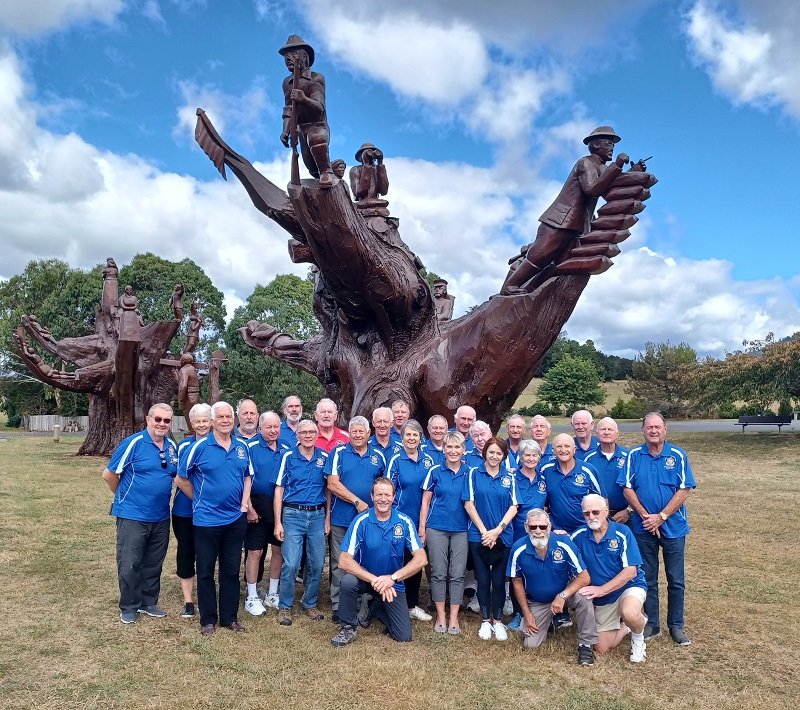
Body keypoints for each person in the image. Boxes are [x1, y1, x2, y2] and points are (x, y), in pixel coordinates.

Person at [501, 125, 631, 295]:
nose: (612, 148)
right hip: (561, 220)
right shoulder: (586, 163)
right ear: (597, 145)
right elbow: (592, 189)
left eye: (612, 145)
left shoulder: (602, 167)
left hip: (576, 225)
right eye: (608, 144)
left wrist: (633, 171)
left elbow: (609, 188)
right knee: (540, 255)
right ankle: (511, 286)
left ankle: (530, 286)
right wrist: (618, 165)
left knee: (561, 263)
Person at [619, 412, 696, 646]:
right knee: (648, 578)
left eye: (657, 427)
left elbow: (684, 490)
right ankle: (652, 623)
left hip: (674, 527)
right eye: (649, 427)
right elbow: (627, 488)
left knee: (676, 579)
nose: (653, 431)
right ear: (643, 430)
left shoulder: (678, 455)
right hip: (643, 528)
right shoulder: (634, 455)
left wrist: (661, 517)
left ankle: (676, 626)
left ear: (665, 430)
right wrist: (645, 516)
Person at [176, 401, 252, 635]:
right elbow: (181, 478)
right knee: (206, 570)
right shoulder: (198, 448)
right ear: (211, 421)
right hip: (206, 520)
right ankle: (208, 619)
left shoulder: (242, 447)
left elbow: (248, 476)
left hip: (234, 520)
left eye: (229, 416)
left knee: (231, 570)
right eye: (221, 417)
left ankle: (230, 618)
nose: (226, 420)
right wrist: (198, 499)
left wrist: (244, 504)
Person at [102, 403, 179, 624]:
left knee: (154, 561)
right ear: (148, 419)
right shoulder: (134, 443)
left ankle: (148, 602)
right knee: (130, 562)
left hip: (161, 516)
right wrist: (125, 496)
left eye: (166, 420)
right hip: (133, 515)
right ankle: (129, 605)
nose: (161, 424)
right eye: (158, 419)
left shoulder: (172, 447)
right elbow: (109, 474)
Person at [331, 477, 427, 646]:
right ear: (372, 496)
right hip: (366, 579)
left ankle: (374, 607)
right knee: (347, 581)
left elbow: (421, 559)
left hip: (392, 582)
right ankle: (348, 628)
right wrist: (376, 580)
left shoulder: (404, 522)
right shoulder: (361, 521)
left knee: (403, 636)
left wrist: (392, 578)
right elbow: (344, 561)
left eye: (387, 495)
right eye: (379, 494)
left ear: (394, 496)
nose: (383, 499)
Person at [507, 509, 598, 666]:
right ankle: (547, 621)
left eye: (542, 527)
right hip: (538, 601)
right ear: (526, 527)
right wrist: (526, 613)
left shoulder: (564, 543)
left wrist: (562, 595)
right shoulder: (518, 548)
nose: (538, 531)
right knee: (531, 644)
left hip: (565, 594)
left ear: (549, 527)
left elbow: (585, 577)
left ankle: (586, 645)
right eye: (533, 527)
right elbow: (517, 582)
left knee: (584, 597)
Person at [571, 494, 648, 663]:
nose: (591, 517)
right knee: (602, 647)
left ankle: (638, 636)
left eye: (596, 512)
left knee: (628, 611)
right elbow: (562, 551)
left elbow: (630, 572)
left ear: (606, 510)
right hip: (603, 597)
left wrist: (601, 590)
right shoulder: (578, 536)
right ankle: (627, 627)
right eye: (586, 513)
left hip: (628, 586)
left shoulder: (623, 532)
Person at [325, 416, 386, 623]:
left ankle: (362, 603)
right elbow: (332, 484)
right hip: (342, 519)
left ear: (369, 433)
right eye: (354, 431)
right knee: (339, 562)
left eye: (362, 431)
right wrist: (356, 501)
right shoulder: (338, 453)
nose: (358, 435)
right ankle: (338, 604)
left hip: (370, 521)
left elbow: (384, 486)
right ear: (349, 433)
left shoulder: (378, 455)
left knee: (365, 562)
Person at [273, 419, 329, 625]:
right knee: (291, 563)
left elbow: (328, 489)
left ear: (316, 435)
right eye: (303, 432)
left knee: (316, 563)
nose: (307, 436)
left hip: (317, 516)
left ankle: (310, 603)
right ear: (297, 436)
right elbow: (278, 490)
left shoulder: (324, 457)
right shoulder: (288, 457)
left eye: (311, 432)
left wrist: (327, 519)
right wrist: (278, 522)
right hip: (293, 515)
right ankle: (285, 606)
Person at [462, 437, 519, 641]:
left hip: (503, 536)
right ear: (485, 452)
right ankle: (485, 621)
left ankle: (498, 621)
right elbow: (469, 504)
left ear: (504, 456)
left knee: (499, 579)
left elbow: (514, 506)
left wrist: (497, 531)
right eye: (491, 452)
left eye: (499, 453)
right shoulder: (473, 473)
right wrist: (485, 531)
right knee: (484, 579)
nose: (494, 456)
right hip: (479, 536)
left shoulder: (509, 478)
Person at [419, 431, 471, 634]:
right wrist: (422, 529)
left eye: (457, 447)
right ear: (443, 449)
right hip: (436, 528)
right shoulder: (434, 471)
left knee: (457, 574)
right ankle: (441, 616)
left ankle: (454, 618)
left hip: (461, 530)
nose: (453, 451)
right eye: (449, 447)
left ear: (463, 450)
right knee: (439, 573)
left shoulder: (470, 472)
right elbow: (425, 502)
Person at [386, 419, 435, 622]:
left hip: (421, 520)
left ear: (420, 438)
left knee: (416, 562)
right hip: (399, 519)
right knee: (398, 561)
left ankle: (412, 605)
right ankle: (393, 603)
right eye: (408, 435)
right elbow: (388, 490)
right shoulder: (395, 460)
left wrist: (423, 525)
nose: (412, 438)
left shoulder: (429, 461)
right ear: (402, 437)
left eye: (415, 435)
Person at [243, 411, 291, 615]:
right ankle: (251, 595)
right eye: (268, 427)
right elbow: (242, 479)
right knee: (255, 552)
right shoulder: (249, 447)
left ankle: (272, 593)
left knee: (278, 551)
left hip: (280, 508)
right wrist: (249, 508)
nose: (273, 431)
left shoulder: (287, 449)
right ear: (260, 428)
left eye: (276, 427)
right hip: (257, 506)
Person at [172, 403, 213, 619]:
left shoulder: (220, 444)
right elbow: (179, 478)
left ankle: (209, 594)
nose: (201, 424)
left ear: (212, 421)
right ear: (192, 423)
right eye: (197, 421)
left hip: (212, 514)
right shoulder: (184, 446)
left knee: (207, 554)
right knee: (186, 552)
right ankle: (188, 601)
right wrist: (199, 498)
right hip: (185, 511)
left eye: (205, 420)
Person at [278, 35, 334, 187]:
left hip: (316, 125)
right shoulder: (287, 82)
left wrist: (303, 99)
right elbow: (289, 109)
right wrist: (286, 131)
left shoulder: (316, 78)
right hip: (301, 128)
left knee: (316, 140)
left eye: (292, 54)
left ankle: (327, 172)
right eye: (286, 56)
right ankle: (320, 178)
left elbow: (319, 108)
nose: (288, 58)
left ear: (304, 57)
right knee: (310, 165)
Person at [507, 439, 547, 630]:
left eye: (534, 455)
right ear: (520, 457)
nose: (530, 459)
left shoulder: (543, 479)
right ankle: (518, 613)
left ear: (539, 457)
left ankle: (542, 610)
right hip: (516, 533)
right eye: (526, 455)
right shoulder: (512, 478)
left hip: (540, 533)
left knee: (538, 572)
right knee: (517, 575)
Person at [540, 434, 605, 534]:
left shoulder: (588, 470)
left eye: (567, 446)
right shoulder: (545, 470)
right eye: (559, 446)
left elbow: (603, 499)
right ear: (553, 450)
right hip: (556, 531)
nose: (563, 450)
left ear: (574, 449)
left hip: (584, 530)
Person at [584, 417, 631, 524]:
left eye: (610, 430)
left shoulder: (629, 457)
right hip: (595, 516)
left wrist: (628, 510)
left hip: (625, 516)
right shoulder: (587, 459)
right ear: (596, 433)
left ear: (617, 434)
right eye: (603, 429)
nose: (606, 433)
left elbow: (638, 486)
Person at [177, 354, 200, 434]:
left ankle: (191, 435)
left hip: (189, 396)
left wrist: (180, 400)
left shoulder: (184, 370)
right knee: (195, 416)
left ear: (183, 360)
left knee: (189, 417)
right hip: (196, 395)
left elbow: (183, 386)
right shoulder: (193, 369)